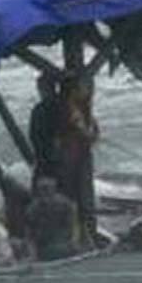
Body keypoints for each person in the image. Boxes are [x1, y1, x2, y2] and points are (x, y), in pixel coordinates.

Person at [56, 74, 99, 245]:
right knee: (79, 199)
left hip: (73, 156)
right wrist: (93, 132)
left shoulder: (75, 108)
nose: (87, 91)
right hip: (73, 158)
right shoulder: (72, 109)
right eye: (83, 88)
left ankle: (83, 236)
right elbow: (87, 134)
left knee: (77, 199)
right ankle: (84, 238)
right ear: (74, 90)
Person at [25, 176, 81, 261]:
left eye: (48, 191)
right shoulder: (33, 209)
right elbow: (29, 235)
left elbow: (74, 226)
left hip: (64, 246)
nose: (45, 196)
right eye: (42, 191)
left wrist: (73, 243)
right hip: (43, 249)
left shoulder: (65, 205)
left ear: (54, 190)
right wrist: (33, 253)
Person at [29, 72, 63, 183]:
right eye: (40, 88)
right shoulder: (39, 109)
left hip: (54, 155)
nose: (40, 91)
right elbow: (33, 135)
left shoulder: (59, 106)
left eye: (42, 88)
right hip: (45, 155)